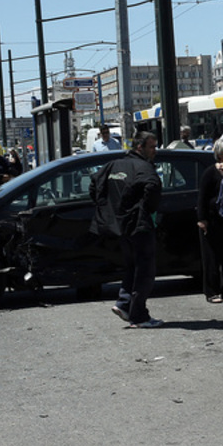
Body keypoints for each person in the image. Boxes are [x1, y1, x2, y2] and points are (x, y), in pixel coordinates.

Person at [91, 131, 164, 328]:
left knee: (133, 266)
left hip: (121, 226)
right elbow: (154, 187)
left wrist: (110, 208)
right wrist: (145, 210)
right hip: (138, 226)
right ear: (139, 147)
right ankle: (138, 315)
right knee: (145, 271)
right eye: (151, 147)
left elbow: (94, 183)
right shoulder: (144, 167)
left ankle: (124, 304)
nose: (154, 151)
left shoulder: (113, 165)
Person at [197, 137, 223, 304]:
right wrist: (202, 219)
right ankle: (211, 291)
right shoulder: (210, 172)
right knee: (212, 256)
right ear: (219, 154)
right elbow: (202, 197)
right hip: (212, 220)